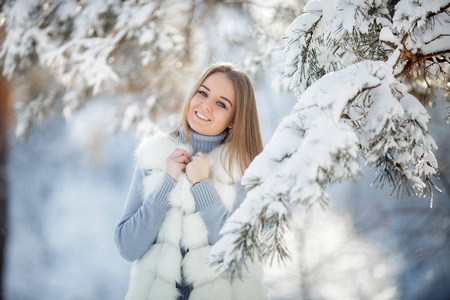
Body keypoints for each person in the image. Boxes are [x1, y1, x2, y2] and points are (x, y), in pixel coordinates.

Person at [115, 62, 269, 300]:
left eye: (221, 103)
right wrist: (167, 184)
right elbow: (127, 247)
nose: (205, 105)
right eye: (202, 93)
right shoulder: (156, 155)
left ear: (234, 119)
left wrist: (202, 188)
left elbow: (239, 257)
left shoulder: (242, 170)